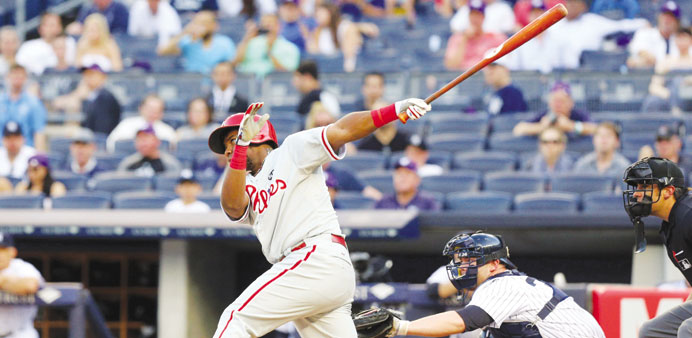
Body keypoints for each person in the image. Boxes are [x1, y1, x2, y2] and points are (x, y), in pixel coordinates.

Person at [207, 95, 431, 337]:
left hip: (314, 257)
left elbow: (342, 130)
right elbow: (232, 206)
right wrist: (241, 147)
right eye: (229, 147)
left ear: (258, 136)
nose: (228, 151)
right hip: (313, 272)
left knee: (236, 318)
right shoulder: (245, 183)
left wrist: (393, 110)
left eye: (232, 140)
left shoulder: (291, 151)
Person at [355, 232, 606, 337]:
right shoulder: (497, 287)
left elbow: (461, 321)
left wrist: (400, 326)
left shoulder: (501, 284)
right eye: (459, 261)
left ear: (495, 264)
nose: (461, 266)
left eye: (469, 260)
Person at [622, 157, 692, 337]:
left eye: (644, 186)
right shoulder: (671, 225)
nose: (637, 194)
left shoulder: (689, 216)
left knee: (688, 329)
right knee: (651, 331)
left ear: (668, 191)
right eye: (636, 187)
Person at [547, 0, 646, 70]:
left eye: (575, 2)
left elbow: (620, 26)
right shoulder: (554, 26)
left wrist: (642, 23)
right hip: (560, 73)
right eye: (569, 2)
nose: (571, 5)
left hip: (589, 72)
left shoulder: (592, 21)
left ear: (583, 6)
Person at [157, 11, 236, 74]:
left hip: (216, 83)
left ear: (214, 25)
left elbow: (233, 64)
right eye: (197, 23)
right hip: (192, 82)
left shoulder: (225, 42)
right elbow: (163, 51)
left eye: (204, 23)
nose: (201, 26)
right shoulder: (188, 41)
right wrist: (185, 32)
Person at [306, 3, 378, 72]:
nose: (317, 17)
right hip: (327, 66)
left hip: (350, 66)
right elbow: (313, 51)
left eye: (321, 14)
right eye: (316, 15)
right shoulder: (317, 32)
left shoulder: (346, 27)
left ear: (330, 13)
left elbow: (372, 30)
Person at [513, 82, 596, 138]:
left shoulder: (579, 115)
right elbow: (518, 129)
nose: (558, 105)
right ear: (549, 103)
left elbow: (595, 129)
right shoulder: (544, 115)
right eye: (555, 101)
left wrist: (571, 126)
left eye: (562, 101)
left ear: (571, 103)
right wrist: (542, 127)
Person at [0, 232, 44, 338]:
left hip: (19, 334)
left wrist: (2, 281)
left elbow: (30, 285)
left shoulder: (22, 268)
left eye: (2, 249)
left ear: (13, 252)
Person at [445, 0, 507, 71]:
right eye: (472, 15)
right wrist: (464, 39)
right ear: (468, 16)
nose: (475, 19)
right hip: (463, 77)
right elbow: (451, 66)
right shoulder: (457, 38)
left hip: (486, 77)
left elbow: (504, 66)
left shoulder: (495, 38)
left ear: (483, 17)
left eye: (478, 15)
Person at [234, 13, 301, 78]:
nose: (266, 25)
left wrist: (270, 50)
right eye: (264, 23)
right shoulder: (251, 43)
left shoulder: (290, 48)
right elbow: (235, 63)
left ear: (278, 26)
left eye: (270, 23)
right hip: (250, 83)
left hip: (275, 84)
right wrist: (247, 39)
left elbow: (288, 74)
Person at [0, 64, 47, 150]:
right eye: (14, 74)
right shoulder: (1, 101)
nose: (17, 77)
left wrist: (39, 158)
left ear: (25, 78)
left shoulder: (34, 103)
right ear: (7, 77)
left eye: (20, 75)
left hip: (26, 150)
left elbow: (39, 132)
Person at [107, 94, 176, 152]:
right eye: (150, 108)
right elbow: (111, 144)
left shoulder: (167, 131)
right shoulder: (126, 125)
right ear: (141, 108)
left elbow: (173, 151)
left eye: (157, 110)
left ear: (162, 113)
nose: (153, 112)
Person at [627, 1, 683, 69]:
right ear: (659, 16)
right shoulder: (645, 33)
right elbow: (637, 53)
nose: (667, 20)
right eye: (665, 15)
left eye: (671, 17)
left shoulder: (682, 39)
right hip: (647, 76)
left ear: (677, 21)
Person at [375, 157, 441, 211]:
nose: (402, 178)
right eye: (399, 174)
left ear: (417, 180)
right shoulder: (383, 202)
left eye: (407, 174)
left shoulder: (427, 202)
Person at [117, 125, 182, 177]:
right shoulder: (128, 163)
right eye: (139, 139)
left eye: (145, 139)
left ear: (157, 141)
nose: (142, 143)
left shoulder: (170, 163)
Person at [450, 0, 516, 35]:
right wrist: (465, 33)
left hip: (494, 45)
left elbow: (510, 29)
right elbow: (454, 27)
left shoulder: (503, 8)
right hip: (472, 43)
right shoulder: (470, 6)